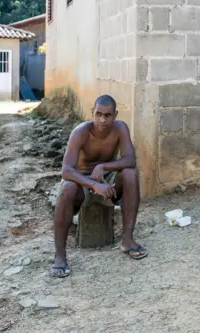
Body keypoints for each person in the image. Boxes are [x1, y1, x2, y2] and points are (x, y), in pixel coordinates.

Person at [51, 95, 146, 277]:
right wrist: (94, 185)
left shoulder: (120, 129)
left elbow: (130, 160)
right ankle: (60, 256)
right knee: (67, 187)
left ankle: (128, 240)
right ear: (92, 113)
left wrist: (103, 166)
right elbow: (67, 171)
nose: (102, 120)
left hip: (107, 181)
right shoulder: (81, 132)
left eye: (108, 115)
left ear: (115, 115)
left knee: (130, 174)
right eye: (98, 114)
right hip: (83, 182)